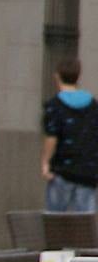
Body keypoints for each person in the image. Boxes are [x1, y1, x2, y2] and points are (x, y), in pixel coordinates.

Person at [41, 57, 98, 213]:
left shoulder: (54, 106)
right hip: (88, 172)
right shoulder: (93, 105)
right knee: (86, 226)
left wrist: (46, 163)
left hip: (62, 171)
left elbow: (51, 138)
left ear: (57, 76)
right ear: (78, 77)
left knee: (55, 221)